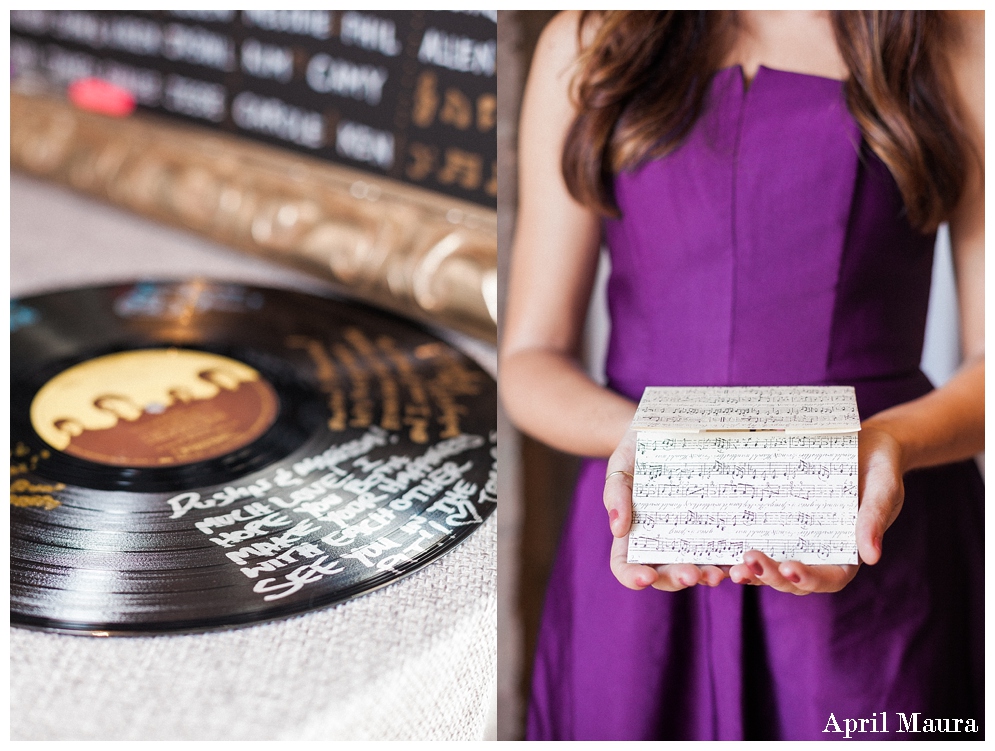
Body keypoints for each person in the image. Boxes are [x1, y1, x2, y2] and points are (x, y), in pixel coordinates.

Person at [499, 10, 983, 741]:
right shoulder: (589, 39)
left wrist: (888, 443)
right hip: (642, 551)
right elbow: (530, 355)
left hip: (877, 549)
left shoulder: (954, 39)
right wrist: (654, 445)